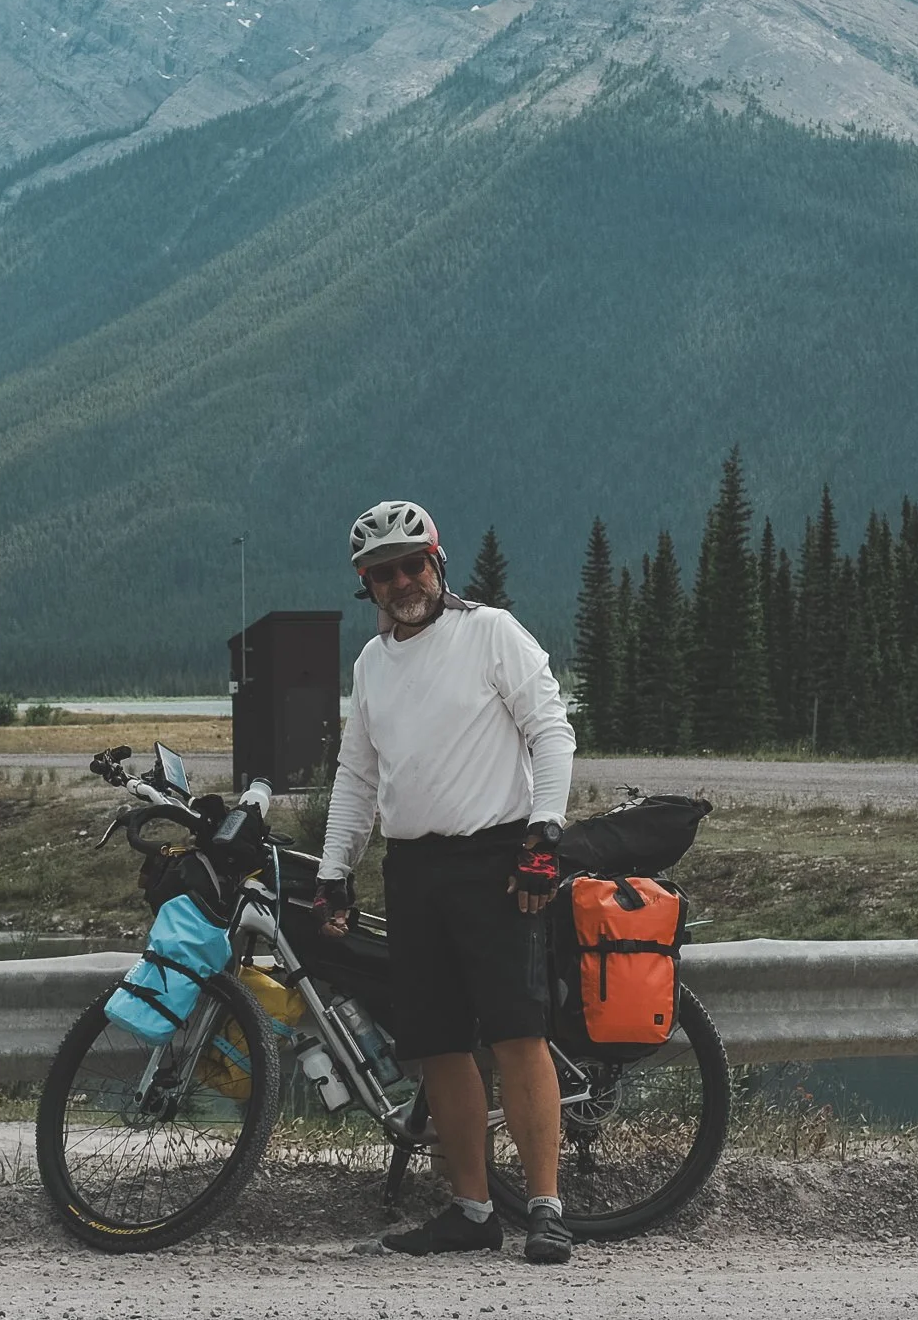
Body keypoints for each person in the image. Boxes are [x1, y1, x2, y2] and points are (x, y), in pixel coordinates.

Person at [312, 499, 577, 1265]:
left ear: (438, 561)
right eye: (382, 573)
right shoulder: (370, 665)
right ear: (366, 585)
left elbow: (550, 730)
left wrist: (545, 834)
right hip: (413, 871)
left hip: (499, 862)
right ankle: (470, 1209)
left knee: (516, 1034)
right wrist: (335, 874)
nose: (402, 582)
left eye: (411, 564)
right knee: (437, 1046)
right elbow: (357, 779)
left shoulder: (490, 632)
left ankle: (546, 1207)